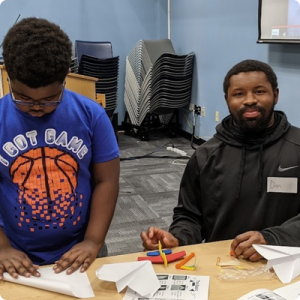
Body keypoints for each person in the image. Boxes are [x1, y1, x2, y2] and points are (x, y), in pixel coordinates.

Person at [141, 59, 300, 262]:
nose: (249, 100)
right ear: (227, 99)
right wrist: (178, 239)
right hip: (224, 266)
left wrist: (271, 238)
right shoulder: (206, 156)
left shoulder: (297, 148)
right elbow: (190, 216)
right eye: (239, 94)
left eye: (259, 91)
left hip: (287, 264)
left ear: (275, 95)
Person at [0, 18, 120, 279]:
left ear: (65, 76)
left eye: (49, 99)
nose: (35, 107)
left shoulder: (92, 116)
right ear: (8, 76)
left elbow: (107, 181)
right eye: (23, 98)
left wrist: (92, 241)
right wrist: (2, 247)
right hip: (12, 252)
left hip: (81, 249)